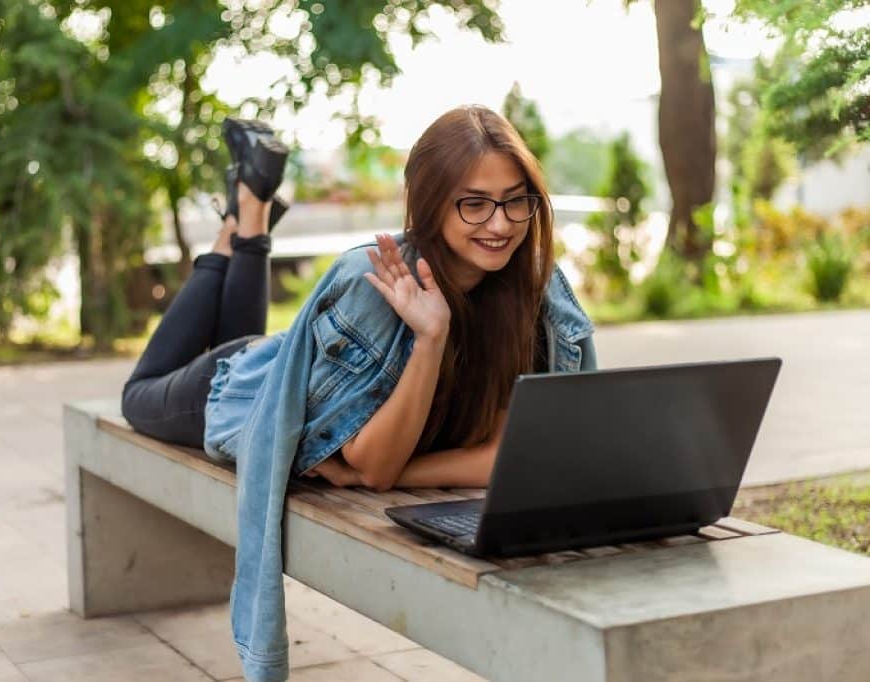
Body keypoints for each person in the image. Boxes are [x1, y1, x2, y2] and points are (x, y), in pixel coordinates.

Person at [122, 105, 597, 682]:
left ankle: (247, 214)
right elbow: (372, 464)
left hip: (288, 360)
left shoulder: (531, 293)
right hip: (239, 389)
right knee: (139, 395)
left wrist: (404, 473)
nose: (499, 223)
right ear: (430, 203)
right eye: (474, 203)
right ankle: (240, 223)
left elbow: (510, 457)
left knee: (249, 338)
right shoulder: (373, 282)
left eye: (515, 199)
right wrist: (430, 338)